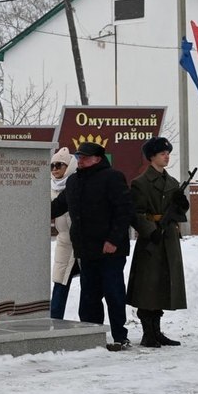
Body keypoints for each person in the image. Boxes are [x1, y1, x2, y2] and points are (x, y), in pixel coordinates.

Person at [51, 141, 135, 351]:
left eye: (85, 157)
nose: (80, 160)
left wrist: (113, 240)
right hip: (86, 250)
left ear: (98, 158)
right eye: (79, 157)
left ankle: (119, 335)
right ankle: (93, 335)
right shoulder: (73, 182)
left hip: (109, 250)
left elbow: (124, 211)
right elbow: (57, 206)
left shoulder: (112, 177)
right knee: (89, 296)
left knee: (113, 293)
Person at [127, 137, 188, 347]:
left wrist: (182, 205)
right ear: (152, 156)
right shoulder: (140, 183)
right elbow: (136, 213)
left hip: (168, 239)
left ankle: (157, 331)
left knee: (162, 285)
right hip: (151, 240)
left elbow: (179, 212)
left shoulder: (172, 183)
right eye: (162, 153)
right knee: (148, 286)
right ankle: (148, 333)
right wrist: (150, 231)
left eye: (168, 153)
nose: (167, 156)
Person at [49, 147, 79, 319]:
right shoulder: (49, 186)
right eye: (52, 165)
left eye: (59, 165)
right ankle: (55, 319)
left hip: (83, 240)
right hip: (64, 241)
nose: (55, 169)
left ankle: (90, 324)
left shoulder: (77, 182)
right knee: (60, 281)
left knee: (91, 285)